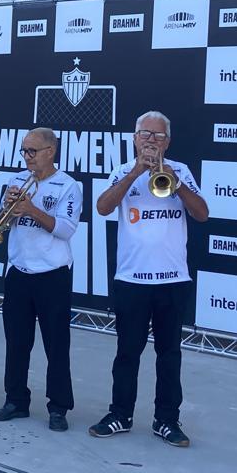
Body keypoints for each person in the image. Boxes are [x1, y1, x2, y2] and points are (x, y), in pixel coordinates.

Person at [87, 111, 208, 448]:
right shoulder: (121, 171)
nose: (150, 140)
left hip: (173, 280)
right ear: (134, 138)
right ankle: (120, 414)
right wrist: (136, 172)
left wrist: (174, 181)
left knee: (169, 354)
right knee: (127, 352)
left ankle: (167, 420)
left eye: (157, 136)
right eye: (144, 134)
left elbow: (202, 213)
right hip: (132, 279)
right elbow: (102, 207)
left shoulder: (180, 171)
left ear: (167, 141)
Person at [0, 128, 80, 432]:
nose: (27, 157)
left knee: (56, 344)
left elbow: (65, 229)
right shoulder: (16, 180)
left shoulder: (68, 185)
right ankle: (15, 400)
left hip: (52, 274)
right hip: (19, 272)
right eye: (24, 151)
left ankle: (58, 407)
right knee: (17, 342)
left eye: (32, 151)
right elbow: (5, 220)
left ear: (50, 151)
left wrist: (31, 208)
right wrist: (8, 208)